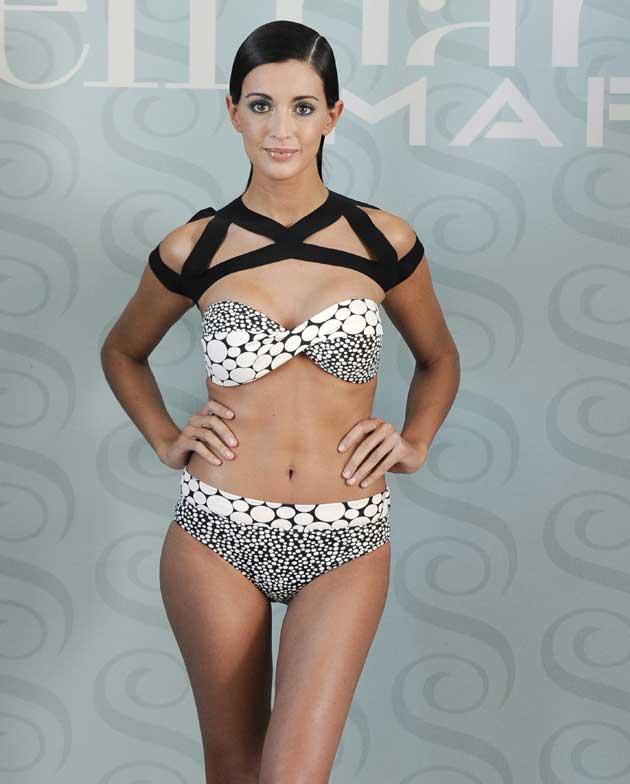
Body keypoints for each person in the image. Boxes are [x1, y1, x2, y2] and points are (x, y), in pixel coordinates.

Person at [101, 19, 459, 784]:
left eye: (303, 107)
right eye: (261, 105)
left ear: (334, 115)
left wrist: (416, 440)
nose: (280, 128)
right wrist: (166, 438)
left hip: (346, 536)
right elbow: (122, 351)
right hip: (216, 530)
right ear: (233, 111)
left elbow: (439, 358)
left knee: (293, 774)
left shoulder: (383, 241)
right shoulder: (195, 247)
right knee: (234, 768)